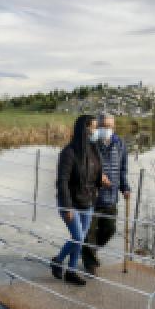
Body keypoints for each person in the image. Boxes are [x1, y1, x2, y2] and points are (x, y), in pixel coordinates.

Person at [53, 114, 106, 286]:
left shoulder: (93, 150)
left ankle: (71, 271)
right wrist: (67, 207)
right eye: (93, 127)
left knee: (80, 238)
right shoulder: (68, 152)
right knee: (78, 238)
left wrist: (101, 180)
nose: (96, 130)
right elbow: (62, 181)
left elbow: (95, 174)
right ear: (84, 128)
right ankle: (58, 260)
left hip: (88, 202)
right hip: (71, 203)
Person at [82, 112, 132, 273]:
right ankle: (90, 263)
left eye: (109, 126)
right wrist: (97, 176)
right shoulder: (89, 143)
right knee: (89, 231)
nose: (106, 129)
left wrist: (125, 187)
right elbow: (81, 168)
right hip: (92, 197)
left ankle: (89, 250)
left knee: (109, 229)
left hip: (111, 197)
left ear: (114, 127)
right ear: (97, 126)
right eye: (103, 126)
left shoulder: (120, 144)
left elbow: (123, 170)